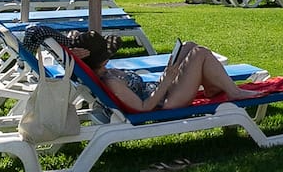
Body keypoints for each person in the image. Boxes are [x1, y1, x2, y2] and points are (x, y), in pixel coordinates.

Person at [65, 29, 248, 112]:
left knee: (188, 46)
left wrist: (165, 79)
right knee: (200, 53)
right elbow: (144, 107)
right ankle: (233, 92)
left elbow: (58, 35)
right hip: (165, 102)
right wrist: (167, 81)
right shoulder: (111, 82)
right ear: (102, 59)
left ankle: (212, 88)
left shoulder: (101, 72)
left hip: (160, 90)